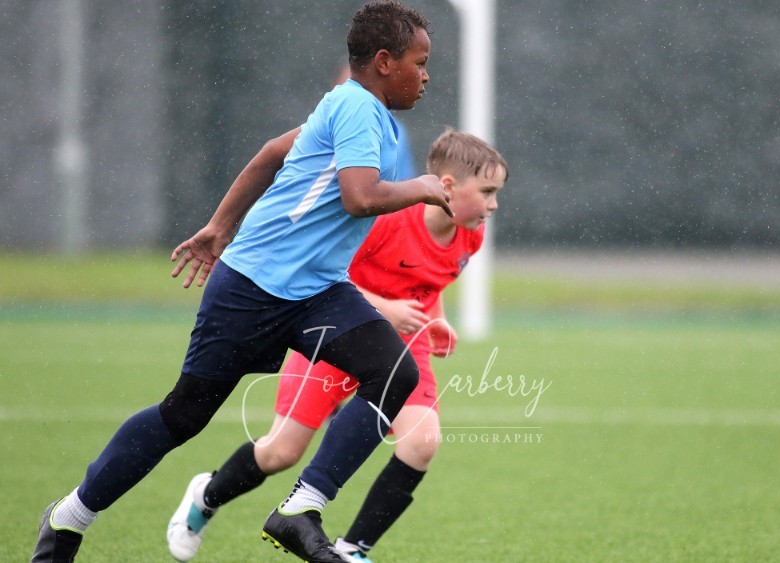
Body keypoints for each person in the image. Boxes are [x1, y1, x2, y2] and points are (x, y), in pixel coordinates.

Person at [31, 2, 446, 562]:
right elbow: (361, 197)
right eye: (420, 62)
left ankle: (301, 509)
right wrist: (420, 186)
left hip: (316, 292)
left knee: (392, 370)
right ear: (382, 62)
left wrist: (219, 225)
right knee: (184, 415)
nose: (426, 76)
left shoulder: (358, 107)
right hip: (252, 288)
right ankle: (67, 518)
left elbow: (276, 152)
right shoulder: (355, 104)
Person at [166, 128, 509, 562]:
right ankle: (205, 496)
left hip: (400, 349)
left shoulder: (469, 235)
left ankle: (352, 548)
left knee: (422, 442)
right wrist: (385, 308)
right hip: (332, 337)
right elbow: (324, 277)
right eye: (487, 191)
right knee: (280, 453)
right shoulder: (387, 220)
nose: (495, 205)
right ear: (447, 187)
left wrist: (436, 321)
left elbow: (427, 284)